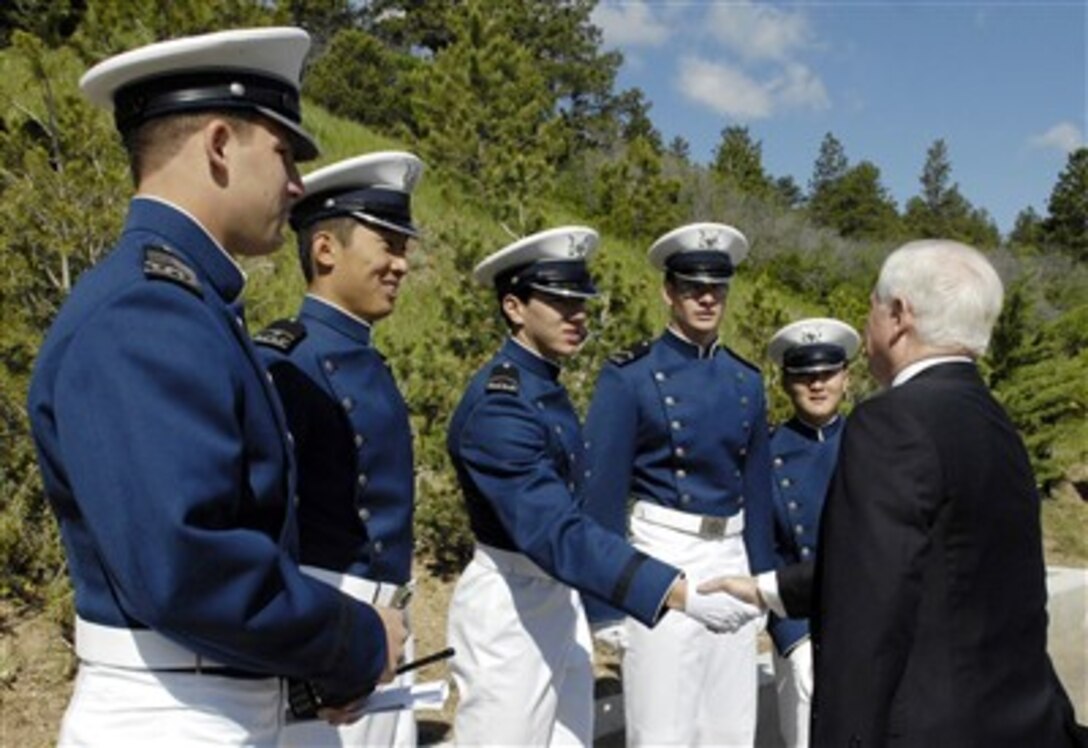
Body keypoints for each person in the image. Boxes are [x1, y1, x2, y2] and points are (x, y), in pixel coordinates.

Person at [26, 29, 405, 746]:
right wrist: (349, 636)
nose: (297, 186)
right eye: (285, 154)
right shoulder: (148, 311)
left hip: (211, 692)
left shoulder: (188, 300)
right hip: (173, 713)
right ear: (221, 144)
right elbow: (186, 563)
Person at [701, 239, 1086, 746]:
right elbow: (932, 567)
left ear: (899, 315)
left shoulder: (891, 422)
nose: (868, 323)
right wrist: (768, 589)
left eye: (871, 308)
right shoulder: (995, 421)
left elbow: (869, 619)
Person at [445, 226, 759, 746]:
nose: (577, 315)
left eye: (581, 302)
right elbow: (558, 529)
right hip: (512, 601)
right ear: (514, 308)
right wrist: (673, 592)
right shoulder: (502, 404)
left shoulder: (541, 386)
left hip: (556, 594)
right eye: (559, 302)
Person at [580, 221, 775, 746]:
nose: (707, 298)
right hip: (662, 554)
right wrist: (606, 601)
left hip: (731, 558)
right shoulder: (631, 376)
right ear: (669, 292)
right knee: (663, 729)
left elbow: (758, 491)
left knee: (730, 729)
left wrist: (765, 582)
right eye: (693, 287)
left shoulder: (746, 379)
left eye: (717, 287)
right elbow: (600, 494)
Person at [255, 151, 424, 747]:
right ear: (325, 249)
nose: (401, 264)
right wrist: (314, 651)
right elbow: (268, 527)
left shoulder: (367, 358)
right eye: (387, 245)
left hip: (388, 623)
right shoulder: (285, 363)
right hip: (330, 623)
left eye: (404, 248)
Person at [764, 317, 859, 748]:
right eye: (804, 376)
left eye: (827, 374)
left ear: (846, 377)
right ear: (785, 382)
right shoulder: (765, 453)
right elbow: (762, 550)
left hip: (872, 615)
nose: (817, 385)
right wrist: (791, 636)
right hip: (803, 618)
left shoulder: (873, 440)